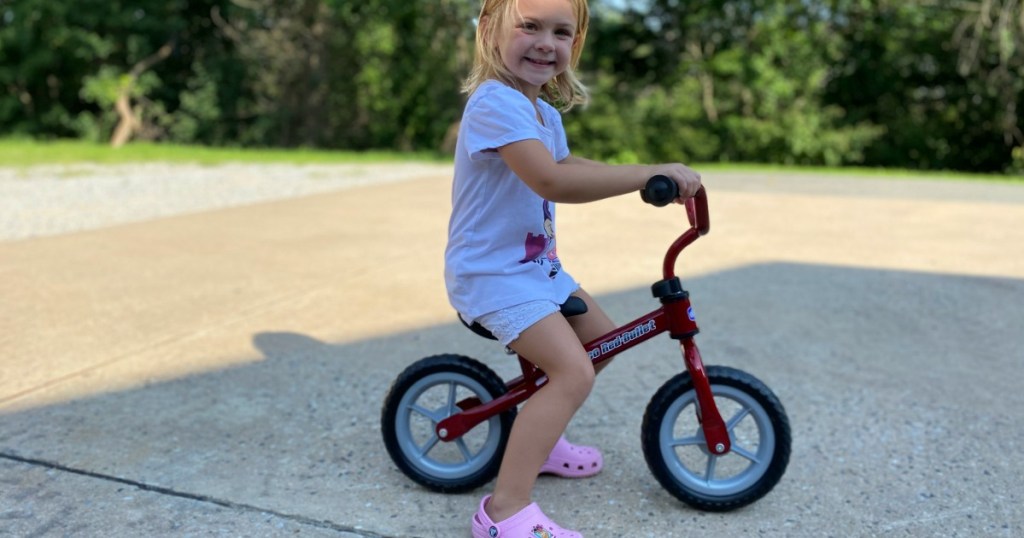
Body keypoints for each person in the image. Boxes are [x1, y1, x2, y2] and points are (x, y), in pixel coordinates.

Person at [445, 0, 702, 535]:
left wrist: (646, 176)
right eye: (530, 26)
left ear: (575, 45)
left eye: (561, 32)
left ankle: (535, 439)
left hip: (533, 270)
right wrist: (643, 176)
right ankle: (503, 513)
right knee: (573, 370)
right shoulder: (494, 103)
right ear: (490, 30)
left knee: (602, 340)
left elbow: (564, 164)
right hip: (493, 277)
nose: (546, 43)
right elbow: (550, 182)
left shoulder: (542, 112)